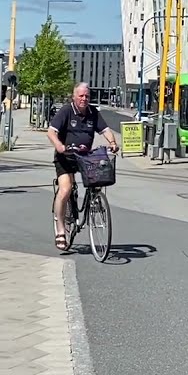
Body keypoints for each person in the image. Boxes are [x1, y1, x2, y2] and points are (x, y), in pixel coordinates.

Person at [47, 82, 119, 251]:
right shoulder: (66, 111)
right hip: (65, 157)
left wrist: (113, 142)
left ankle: (94, 202)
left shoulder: (93, 112)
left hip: (85, 157)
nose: (84, 99)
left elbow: (105, 130)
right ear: (74, 96)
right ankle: (60, 230)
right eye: (81, 96)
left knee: (98, 179)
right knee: (65, 189)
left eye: (87, 96)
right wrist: (59, 146)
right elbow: (51, 132)